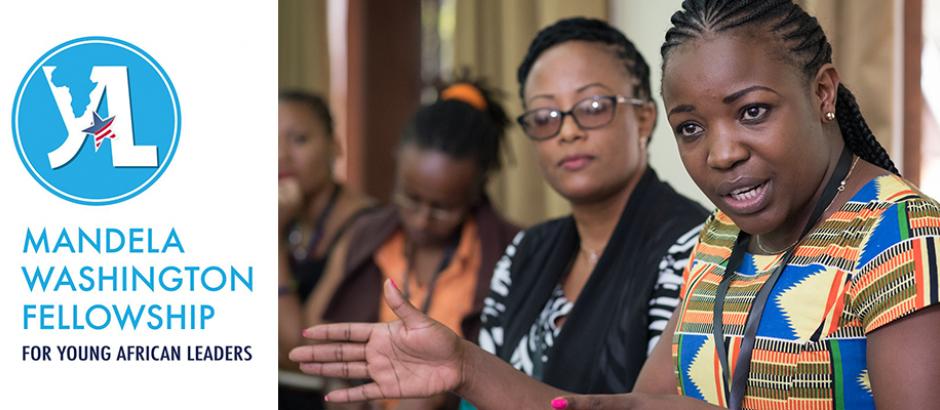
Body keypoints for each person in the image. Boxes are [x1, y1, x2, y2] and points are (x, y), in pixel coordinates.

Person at [291, 2, 940, 409]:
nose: (721, 153)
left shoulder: (900, 234)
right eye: (692, 128)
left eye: (752, 112)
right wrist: (464, 368)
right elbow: (631, 407)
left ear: (823, 91)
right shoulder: (721, 237)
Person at [290, 16, 710, 406]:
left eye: (593, 107)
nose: (567, 130)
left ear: (643, 118)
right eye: (545, 116)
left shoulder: (697, 250)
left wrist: (466, 366)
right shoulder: (526, 251)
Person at [309, 80, 520, 409]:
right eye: (410, 198)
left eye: (442, 208)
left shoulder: (509, 254)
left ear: (478, 188)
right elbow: (315, 331)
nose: (421, 219)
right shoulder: (367, 236)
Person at [278, 90, 375, 410]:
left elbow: (300, 349)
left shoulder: (365, 225)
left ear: (335, 146)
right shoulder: (284, 214)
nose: (281, 156)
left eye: (299, 140)